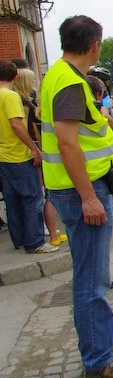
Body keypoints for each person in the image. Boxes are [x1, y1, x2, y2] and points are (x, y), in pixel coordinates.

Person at [39, 15, 113, 378]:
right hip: (80, 190)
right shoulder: (69, 81)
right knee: (91, 281)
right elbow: (67, 142)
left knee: (94, 275)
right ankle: (98, 360)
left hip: (73, 187)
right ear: (95, 45)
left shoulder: (59, 75)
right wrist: (89, 197)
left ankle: (102, 341)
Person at [0, 61, 57, 254]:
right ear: (15, 77)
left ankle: (20, 239)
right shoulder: (10, 96)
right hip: (18, 154)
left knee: (12, 200)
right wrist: (33, 148)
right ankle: (35, 242)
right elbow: (16, 125)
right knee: (32, 197)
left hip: (3, 156)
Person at [13, 67, 68, 248]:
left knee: (40, 194)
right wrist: (36, 149)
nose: (33, 84)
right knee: (45, 195)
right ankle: (50, 233)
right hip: (40, 149)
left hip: (37, 149)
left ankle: (45, 232)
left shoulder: (33, 106)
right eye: (31, 80)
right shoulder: (28, 106)